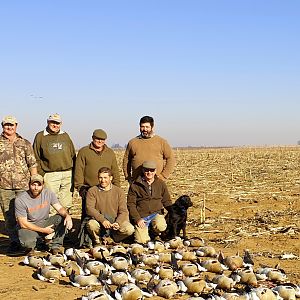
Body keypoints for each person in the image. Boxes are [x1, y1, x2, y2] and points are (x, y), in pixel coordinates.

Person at [0, 115, 38, 253]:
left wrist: (35, 182)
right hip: (4, 186)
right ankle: (14, 242)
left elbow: (32, 163)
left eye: (11, 125)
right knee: (9, 216)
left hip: (24, 186)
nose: (9, 127)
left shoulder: (25, 143)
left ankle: (28, 242)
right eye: (6, 125)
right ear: (2, 126)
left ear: (16, 125)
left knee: (25, 215)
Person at [15, 174, 73, 255]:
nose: (36, 188)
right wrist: (44, 230)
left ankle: (56, 246)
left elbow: (59, 208)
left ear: (43, 185)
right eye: (33, 185)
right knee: (27, 243)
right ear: (29, 185)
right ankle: (33, 247)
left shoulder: (48, 193)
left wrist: (67, 216)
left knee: (62, 218)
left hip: (44, 223)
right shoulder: (20, 199)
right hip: (29, 227)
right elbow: (23, 223)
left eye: (39, 185)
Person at [33, 113, 76, 213]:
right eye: (53, 122)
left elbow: (73, 155)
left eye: (57, 123)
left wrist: (73, 173)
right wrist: (42, 174)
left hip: (67, 174)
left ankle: (64, 227)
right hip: (50, 175)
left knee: (66, 204)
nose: (55, 125)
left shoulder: (65, 135)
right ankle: (52, 227)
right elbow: (36, 157)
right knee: (51, 204)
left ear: (61, 124)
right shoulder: (40, 136)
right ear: (48, 122)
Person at [74, 129, 120, 219]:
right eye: (97, 139)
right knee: (88, 214)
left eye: (102, 139)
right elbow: (79, 170)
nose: (100, 141)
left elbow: (115, 171)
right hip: (89, 189)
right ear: (92, 138)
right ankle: (85, 232)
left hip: (107, 189)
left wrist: (117, 187)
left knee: (106, 213)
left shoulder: (110, 153)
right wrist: (80, 187)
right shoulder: (84, 152)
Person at [85, 167, 134, 245]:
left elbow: (123, 211)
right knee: (92, 225)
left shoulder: (119, 191)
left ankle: (113, 239)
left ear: (111, 178)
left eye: (105, 178)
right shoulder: (92, 191)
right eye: (100, 178)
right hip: (99, 221)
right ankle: (98, 241)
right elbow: (89, 208)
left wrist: (118, 222)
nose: (103, 180)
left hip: (114, 221)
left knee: (129, 229)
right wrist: (102, 220)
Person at [127, 160, 172, 244]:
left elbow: (166, 201)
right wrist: (137, 219)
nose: (149, 172)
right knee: (141, 241)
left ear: (155, 171)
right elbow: (131, 204)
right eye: (147, 170)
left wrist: (174, 212)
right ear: (143, 170)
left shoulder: (161, 184)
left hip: (156, 213)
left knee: (161, 226)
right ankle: (147, 232)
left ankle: (155, 233)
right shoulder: (135, 185)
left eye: (152, 170)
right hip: (142, 217)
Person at [123, 115, 175, 183]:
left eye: (147, 127)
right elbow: (126, 160)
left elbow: (171, 158)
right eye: (142, 126)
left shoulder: (161, 142)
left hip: (156, 182)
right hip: (137, 182)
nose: (144, 129)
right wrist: (128, 176)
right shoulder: (132, 142)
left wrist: (163, 176)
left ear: (152, 127)